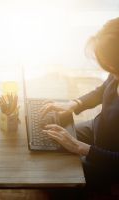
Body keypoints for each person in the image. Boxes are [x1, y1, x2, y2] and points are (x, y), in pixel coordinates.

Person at [40, 18, 119, 185]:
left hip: (108, 159)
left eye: (111, 67)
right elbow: (104, 89)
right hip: (96, 129)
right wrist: (73, 104)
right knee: (48, 142)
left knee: (57, 174)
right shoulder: (116, 73)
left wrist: (79, 147)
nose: (110, 73)